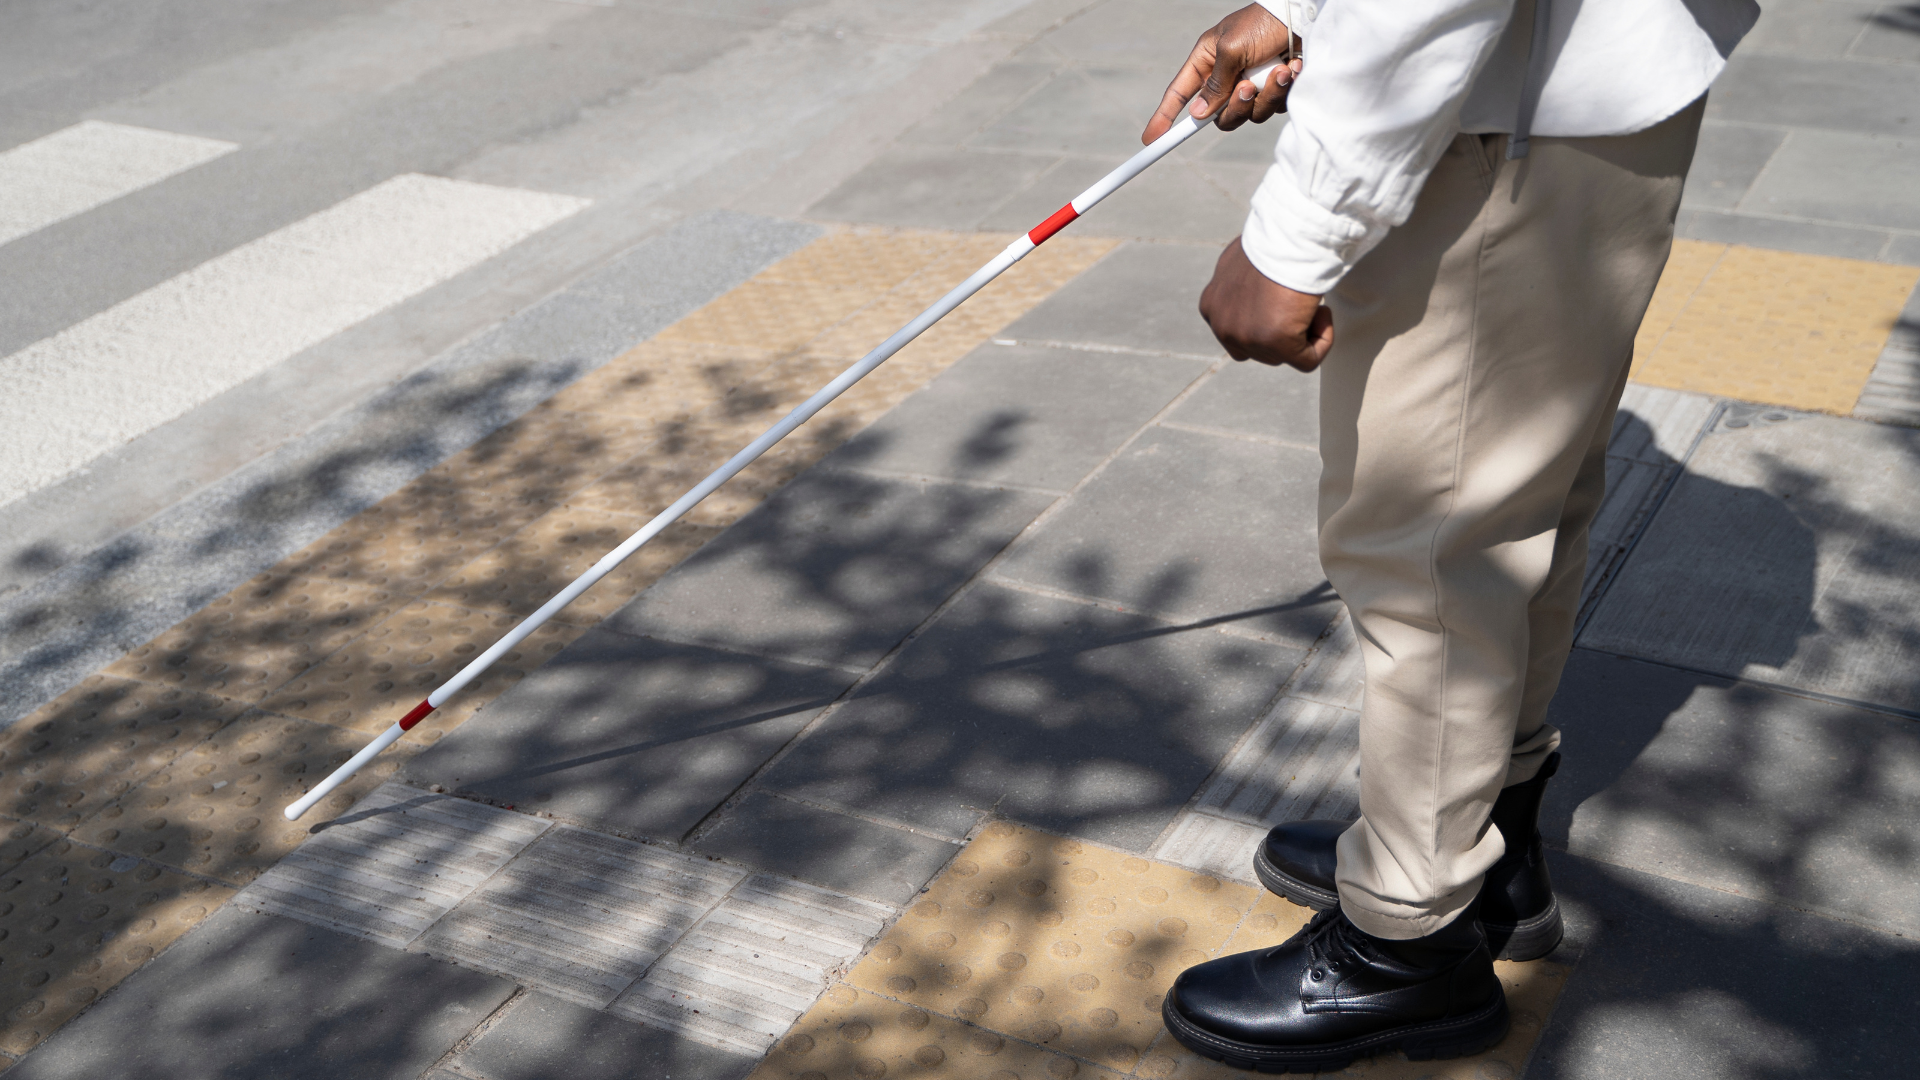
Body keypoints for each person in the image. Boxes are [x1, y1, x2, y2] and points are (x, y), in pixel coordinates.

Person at [1145, 0, 1758, 1072]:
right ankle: (1484, 850)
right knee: (1521, 501)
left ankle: (1407, 941)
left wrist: (1296, 230)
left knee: (1426, 543)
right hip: (1595, 94)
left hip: (1493, 117)